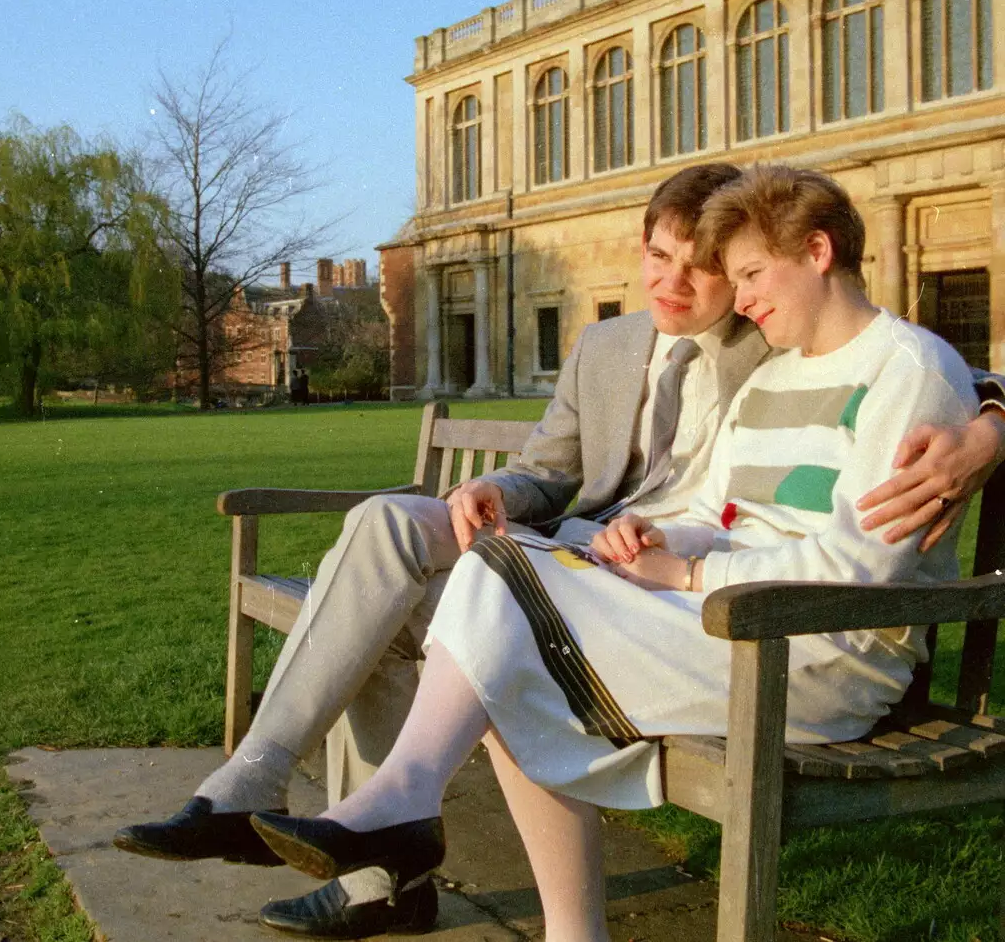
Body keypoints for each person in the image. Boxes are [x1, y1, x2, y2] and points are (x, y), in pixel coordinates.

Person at [112, 163, 1005, 939]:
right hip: (668, 585)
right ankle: (358, 816)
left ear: (811, 253)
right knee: (438, 556)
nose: (718, 288)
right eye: (668, 257)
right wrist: (644, 536)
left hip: (795, 643)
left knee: (496, 612)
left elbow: (874, 520)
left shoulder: (858, 358)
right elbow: (711, 506)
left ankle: (404, 820)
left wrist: (991, 421)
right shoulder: (759, 362)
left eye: (735, 272)